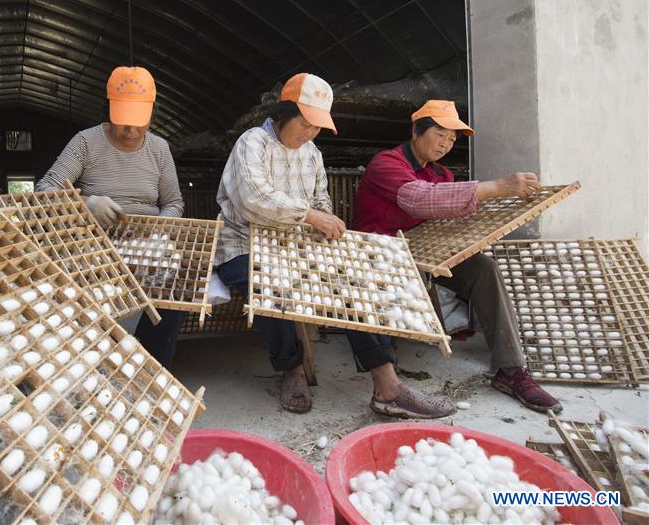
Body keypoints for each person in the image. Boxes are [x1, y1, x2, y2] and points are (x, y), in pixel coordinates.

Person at [351, 99, 562, 414]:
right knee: (368, 281)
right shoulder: (387, 164)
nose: (446, 144)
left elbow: (446, 220)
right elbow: (420, 200)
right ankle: (388, 385)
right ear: (416, 131)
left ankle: (511, 369)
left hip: (425, 252)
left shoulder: (443, 174)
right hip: (378, 252)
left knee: (483, 268)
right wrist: (496, 186)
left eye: (452, 140)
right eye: (440, 134)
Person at [35, 66, 186, 369]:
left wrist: (158, 226)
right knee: (85, 295)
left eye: (138, 123)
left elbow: (174, 203)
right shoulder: (86, 142)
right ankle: (91, 366)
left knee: (177, 290)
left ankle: (149, 366)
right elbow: (44, 189)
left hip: (147, 241)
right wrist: (86, 202)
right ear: (108, 110)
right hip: (92, 240)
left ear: (151, 115)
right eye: (123, 122)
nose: (130, 131)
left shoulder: (159, 149)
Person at [215, 73, 347, 413]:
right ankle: (291, 367)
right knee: (265, 280)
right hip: (242, 243)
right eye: (305, 124)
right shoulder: (252, 142)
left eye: (317, 127)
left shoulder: (312, 153)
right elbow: (253, 200)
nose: (310, 133)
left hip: (292, 246)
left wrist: (326, 222)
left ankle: (385, 377)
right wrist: (313, 217)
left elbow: (321, 201)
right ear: (283, 114)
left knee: (348, 279)